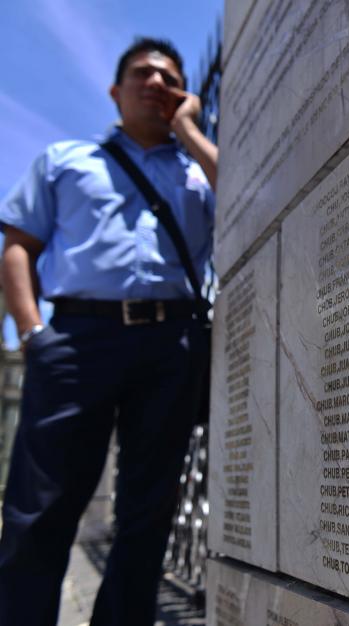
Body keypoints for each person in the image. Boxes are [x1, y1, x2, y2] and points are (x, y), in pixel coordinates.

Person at [0, 37, 216, 625]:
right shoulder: (66, 160)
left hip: (171, 344)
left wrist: (190, 131)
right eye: (142, 73)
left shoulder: (198, 171)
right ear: (116, 91)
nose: (155, 82)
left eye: (169, 77)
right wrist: (33, 333)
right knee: (40, 508)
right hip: (76, 339)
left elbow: (246, 199)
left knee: (148, 514)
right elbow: (19, 246)